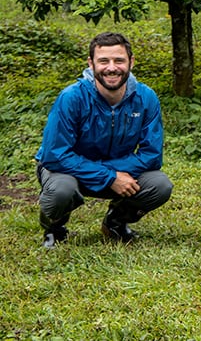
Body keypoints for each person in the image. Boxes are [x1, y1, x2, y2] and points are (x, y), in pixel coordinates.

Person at [35, 32, 173, 249]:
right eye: (103, 61)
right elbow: (55, 155)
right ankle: (54, 229)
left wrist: (113, 174)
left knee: (160, 184)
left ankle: (115, 222)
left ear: (131, 62)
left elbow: (152, 156)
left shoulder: (146, 98)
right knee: (61, 190)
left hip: (120, 170)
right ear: (91, 64)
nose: (111, 67)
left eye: (119, 60)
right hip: (68, 172)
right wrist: (108, 176)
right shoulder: (71, 97)